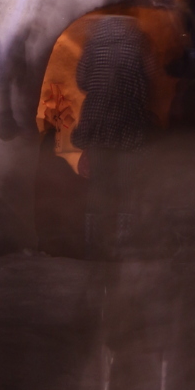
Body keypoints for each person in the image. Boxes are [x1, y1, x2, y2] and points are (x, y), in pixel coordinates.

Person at [73, 15, 153, 258]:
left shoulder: (93, 45)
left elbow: (83, 81)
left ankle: (95, 247)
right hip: (129, 121)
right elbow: (149, 81)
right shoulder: (139, 43)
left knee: (99, 187)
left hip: (99, 123)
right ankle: (123, 246)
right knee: (126, 187)